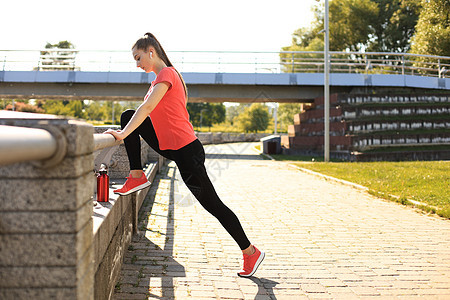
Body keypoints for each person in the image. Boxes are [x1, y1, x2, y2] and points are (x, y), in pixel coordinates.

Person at [105, 33, 264, 277]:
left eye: (138, 58)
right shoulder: (160, 78)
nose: (137, 64)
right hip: (173, 149)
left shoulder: (167, 74)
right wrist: (125, 131)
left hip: (187, 152)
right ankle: (136, 174)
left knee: (213, 205)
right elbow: (148, 114)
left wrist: (123, 134)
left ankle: (250, 252)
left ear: (151, 51)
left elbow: (147, 108)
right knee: (128, 115)